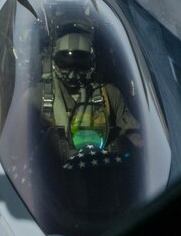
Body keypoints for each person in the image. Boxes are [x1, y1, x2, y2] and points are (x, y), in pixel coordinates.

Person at [42, 28, 141, 165]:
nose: (73, 73)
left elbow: (134, 137)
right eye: (65, 63)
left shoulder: (110, 94)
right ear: (54, 63)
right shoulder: (37, 97)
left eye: (81, 65)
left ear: (92, 65)